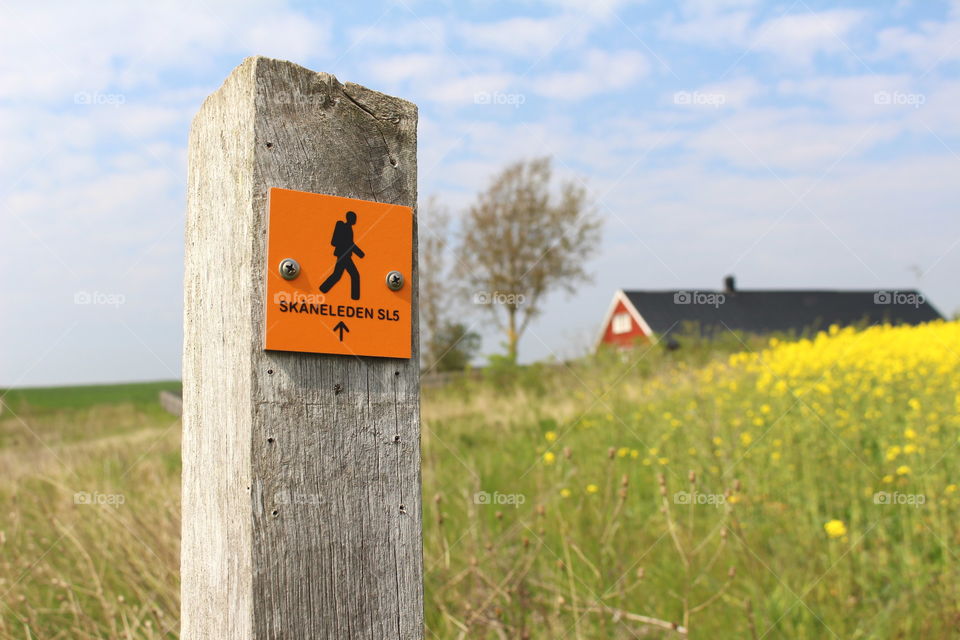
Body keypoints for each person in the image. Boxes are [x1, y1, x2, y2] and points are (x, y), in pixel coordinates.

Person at [319, 211, 364, 300]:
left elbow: (350, 243)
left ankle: (323, 288)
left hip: (344, 255)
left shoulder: (348, 228)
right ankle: (355, 298)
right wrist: (360, 254)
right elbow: (350, 243)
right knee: (354, 275)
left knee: (337, 275)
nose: (356, 220)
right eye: (354, 218)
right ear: (350, 218)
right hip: (344, 255)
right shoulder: (346, 228)